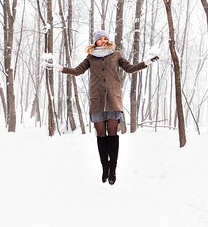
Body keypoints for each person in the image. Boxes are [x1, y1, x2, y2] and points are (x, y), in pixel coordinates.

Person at [46, 30, 159, 185]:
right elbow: (77, 71)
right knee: (101, 135)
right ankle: (104, 168)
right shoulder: (90, 58)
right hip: (97, 101)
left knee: (112, 134)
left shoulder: (116, 55)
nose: (103, 40)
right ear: (95, 41)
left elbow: (130, 68)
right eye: (100, 39)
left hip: (113, 100)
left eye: (106, 38)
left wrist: (148, 61)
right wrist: (57, 67)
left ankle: (113, 170)